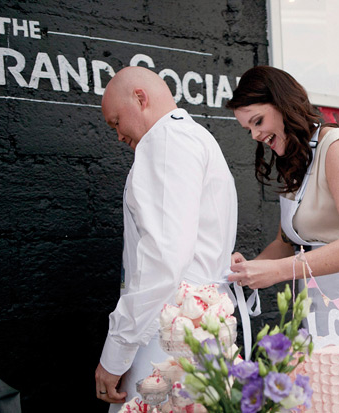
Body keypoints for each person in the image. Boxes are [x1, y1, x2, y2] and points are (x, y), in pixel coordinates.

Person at [95, 66, 237, 410]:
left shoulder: (165, 140)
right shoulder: (196, 138)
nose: (118, 135)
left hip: (168, 334)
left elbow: (164, 259)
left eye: (116, 121)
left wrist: (115, 354)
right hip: (201, 327)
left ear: (140, 99)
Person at [226, 66, 339, 336]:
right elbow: (286, 243)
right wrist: (249, 271)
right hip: (315, 304)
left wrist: (278, 272)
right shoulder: (297, 160)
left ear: (283, 104)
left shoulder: (337, 148)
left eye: (258, 121)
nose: (255, 136)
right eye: (248, 128)